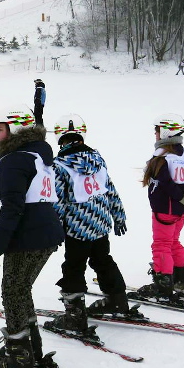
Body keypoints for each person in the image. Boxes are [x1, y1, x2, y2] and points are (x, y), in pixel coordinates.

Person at [0, 106, 64, 368]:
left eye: (0, 129)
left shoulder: (15, 160)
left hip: (29, 234)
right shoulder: (37, 154)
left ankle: (19, 362)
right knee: (21, 289)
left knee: (12, 291)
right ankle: (29, 351)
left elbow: (13, 206)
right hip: (45, 231)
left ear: (16, 129)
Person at [43, 114, 138, 338]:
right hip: (101, 223)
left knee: (74, 267)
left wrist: (53, 229)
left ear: (59, 138)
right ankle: (117, 300)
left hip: (77, 228)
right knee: (103, 261)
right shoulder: (97, 159)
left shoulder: (59, 166)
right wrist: (118, 214)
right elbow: (110, 188)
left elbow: (59, 201)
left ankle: (74, 317)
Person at [134, 114, 184, 306]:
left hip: (165, 210)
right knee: (173, 242)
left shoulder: (162, 157)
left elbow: (165, 182)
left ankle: (163, 286)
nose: (155, 134)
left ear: (166, 131)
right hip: (180, 211)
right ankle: (182, 281)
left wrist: (181, 196)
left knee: (161, 245)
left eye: (157, 130)